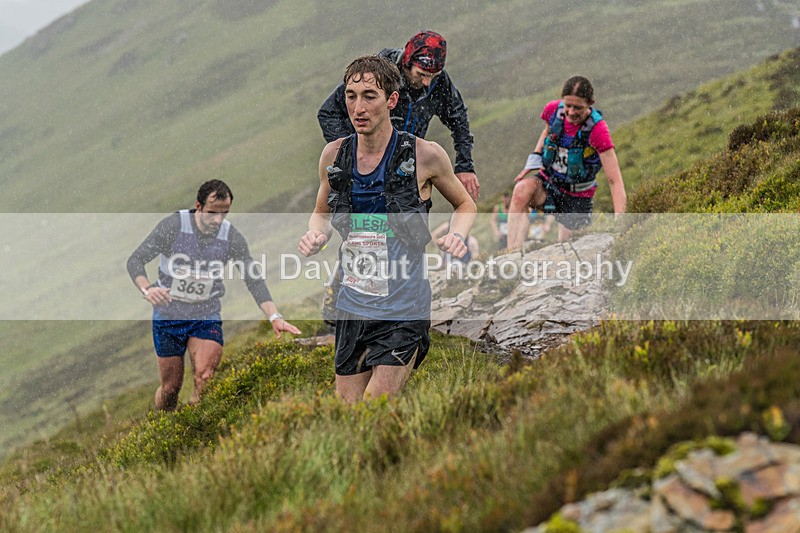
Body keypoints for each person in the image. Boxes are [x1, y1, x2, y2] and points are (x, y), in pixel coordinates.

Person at [299, 55, 476, 403]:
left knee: (375, 406)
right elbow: (320, 214)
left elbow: (465, 204)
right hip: (352, 305)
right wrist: (315, 236)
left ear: (391, 100)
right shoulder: (334, 156)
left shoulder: (425, 155)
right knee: (347, 416)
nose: (358, 107)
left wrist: (457, 235)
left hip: (403, 308)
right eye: (351, 96)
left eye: (369, 96)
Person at [127, 180, 300, 411]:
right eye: (212, 213)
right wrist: (147, 288)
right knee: (170, 389)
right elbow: (135, 261)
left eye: (224, 214)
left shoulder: (231, 237)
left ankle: (196, 426)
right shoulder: (173, 226)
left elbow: (253, 279)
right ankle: (161, 426)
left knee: (205, 377)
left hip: (205, 314)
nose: (217, 220)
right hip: (169, 314)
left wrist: (274, 316)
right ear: (198, 206)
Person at [317, 30, 479, 200]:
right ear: (407, 63)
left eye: (433, 76)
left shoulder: (439, 83)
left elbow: (459, 119)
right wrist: (351, 152)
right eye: (422, 74)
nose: (427, 82)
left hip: (405, 166)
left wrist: (464, 165)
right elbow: (328, 112)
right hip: (365, 166)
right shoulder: (378, 73)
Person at [506, 76, 626, 249]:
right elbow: (547, 131)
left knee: (568, 248)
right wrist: (534, 158)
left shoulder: (598, 130)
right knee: (520, 191)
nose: (570, 112)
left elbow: (615, 182)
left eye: (577, 107)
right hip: (550, 183)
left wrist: (620, 224)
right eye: (568, 105)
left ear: (590, 103)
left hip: (578, 196)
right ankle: (512, 256)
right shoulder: (553, 111)